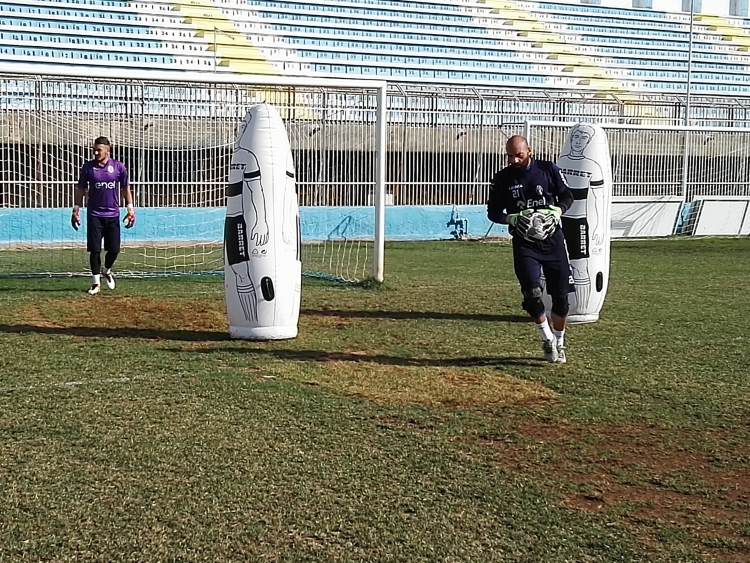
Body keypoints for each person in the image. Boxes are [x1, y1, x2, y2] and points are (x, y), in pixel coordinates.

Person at [487, 135, 575, 363]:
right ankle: (547, 339)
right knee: (532, 294)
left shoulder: (548, 170)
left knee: (561, 299)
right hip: (525, 243)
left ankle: (560, 342)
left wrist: (558, 211)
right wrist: (512, 219)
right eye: (509, 156)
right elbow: (493, 212)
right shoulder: (502, 179)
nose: (514, 160)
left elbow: (567, 195)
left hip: (553, 241)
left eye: (519, 155)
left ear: (530, 151)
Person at [71, 136, 135, 295]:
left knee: (114, 249)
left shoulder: (118, 167)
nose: (95, 152)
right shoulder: (88, 168)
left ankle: (106, 270)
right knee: (94, 250)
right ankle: (95, 283)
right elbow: (81, 189)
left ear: (108, 150)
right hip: (94, 214)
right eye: (94, 149)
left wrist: (130, 209)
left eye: (99, 150)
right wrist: (76, 209)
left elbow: (125, 188)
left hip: (113, 214)